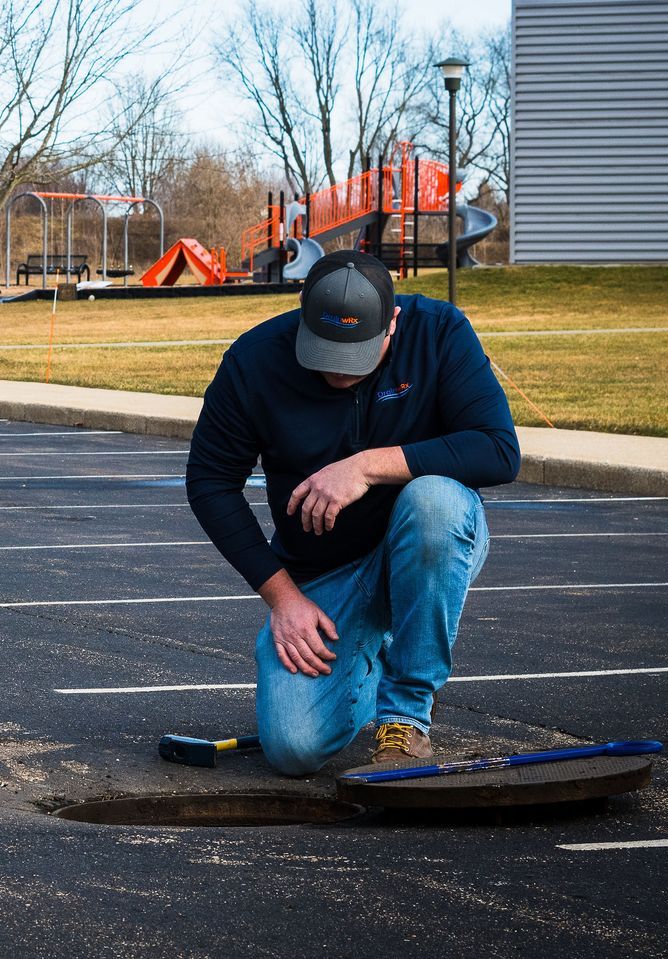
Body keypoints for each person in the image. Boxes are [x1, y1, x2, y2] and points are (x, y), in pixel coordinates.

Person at [184, 250, 519, 774]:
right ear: (301, 310)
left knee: (434, 499)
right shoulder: (254, 361)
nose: (338, 372)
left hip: (430, 540)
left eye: (357, 355)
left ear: (393, 322)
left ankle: (406, 715)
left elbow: (498, 450)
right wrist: (282, 597)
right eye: (324, 352)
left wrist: (365, 467)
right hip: (323, 573)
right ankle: (376, 656)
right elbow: (209, 482)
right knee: (294, 748)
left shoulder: (439, 332)